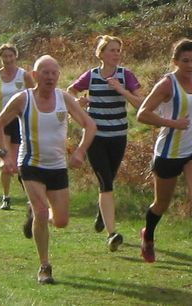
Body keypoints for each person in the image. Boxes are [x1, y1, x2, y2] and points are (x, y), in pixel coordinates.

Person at [0, 55, 95, 284]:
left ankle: (35, 213)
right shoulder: (23, 99)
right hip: (30, 164)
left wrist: (80, 151)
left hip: (57, 167)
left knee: (61, 221)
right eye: (45, 73)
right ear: (35, 76)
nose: (50, 77)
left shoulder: (65, 99)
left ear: (58, 76)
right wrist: (4, 155)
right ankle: (45, 266)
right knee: (41, 211)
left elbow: (90, 125)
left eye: (54, 73)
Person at [136, 38, 192, 268]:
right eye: (185, 61)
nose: (190, 65)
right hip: (168, 152)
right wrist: (171, 123)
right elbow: (142, 114)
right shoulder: (167, 84)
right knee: (161, 204)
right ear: (175, 61)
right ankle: (148, 235)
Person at [67, 35, 144, 251]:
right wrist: (78, 102)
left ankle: (102, 214)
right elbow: (69, 92)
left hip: (118, 135)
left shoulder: (125, 75)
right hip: (96, 137)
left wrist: (122, 91)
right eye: (111, 50)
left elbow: (142, 104)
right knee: (105, 182)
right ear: (101, 53)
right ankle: (113, 233)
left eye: (118, 50)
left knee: (110, 179)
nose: (116, 54)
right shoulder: (90, 76)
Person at [0, 43, 35, 210]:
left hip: (20, 120)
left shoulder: (24, 75)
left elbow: (34, 94)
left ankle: (30, 198)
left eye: (11, 56)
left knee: (18, 162)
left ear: (16, 57)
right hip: (1, 120)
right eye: (5, 56)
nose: (8, 59)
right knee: (5, 161)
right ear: (0, 58)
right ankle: (6, 197)